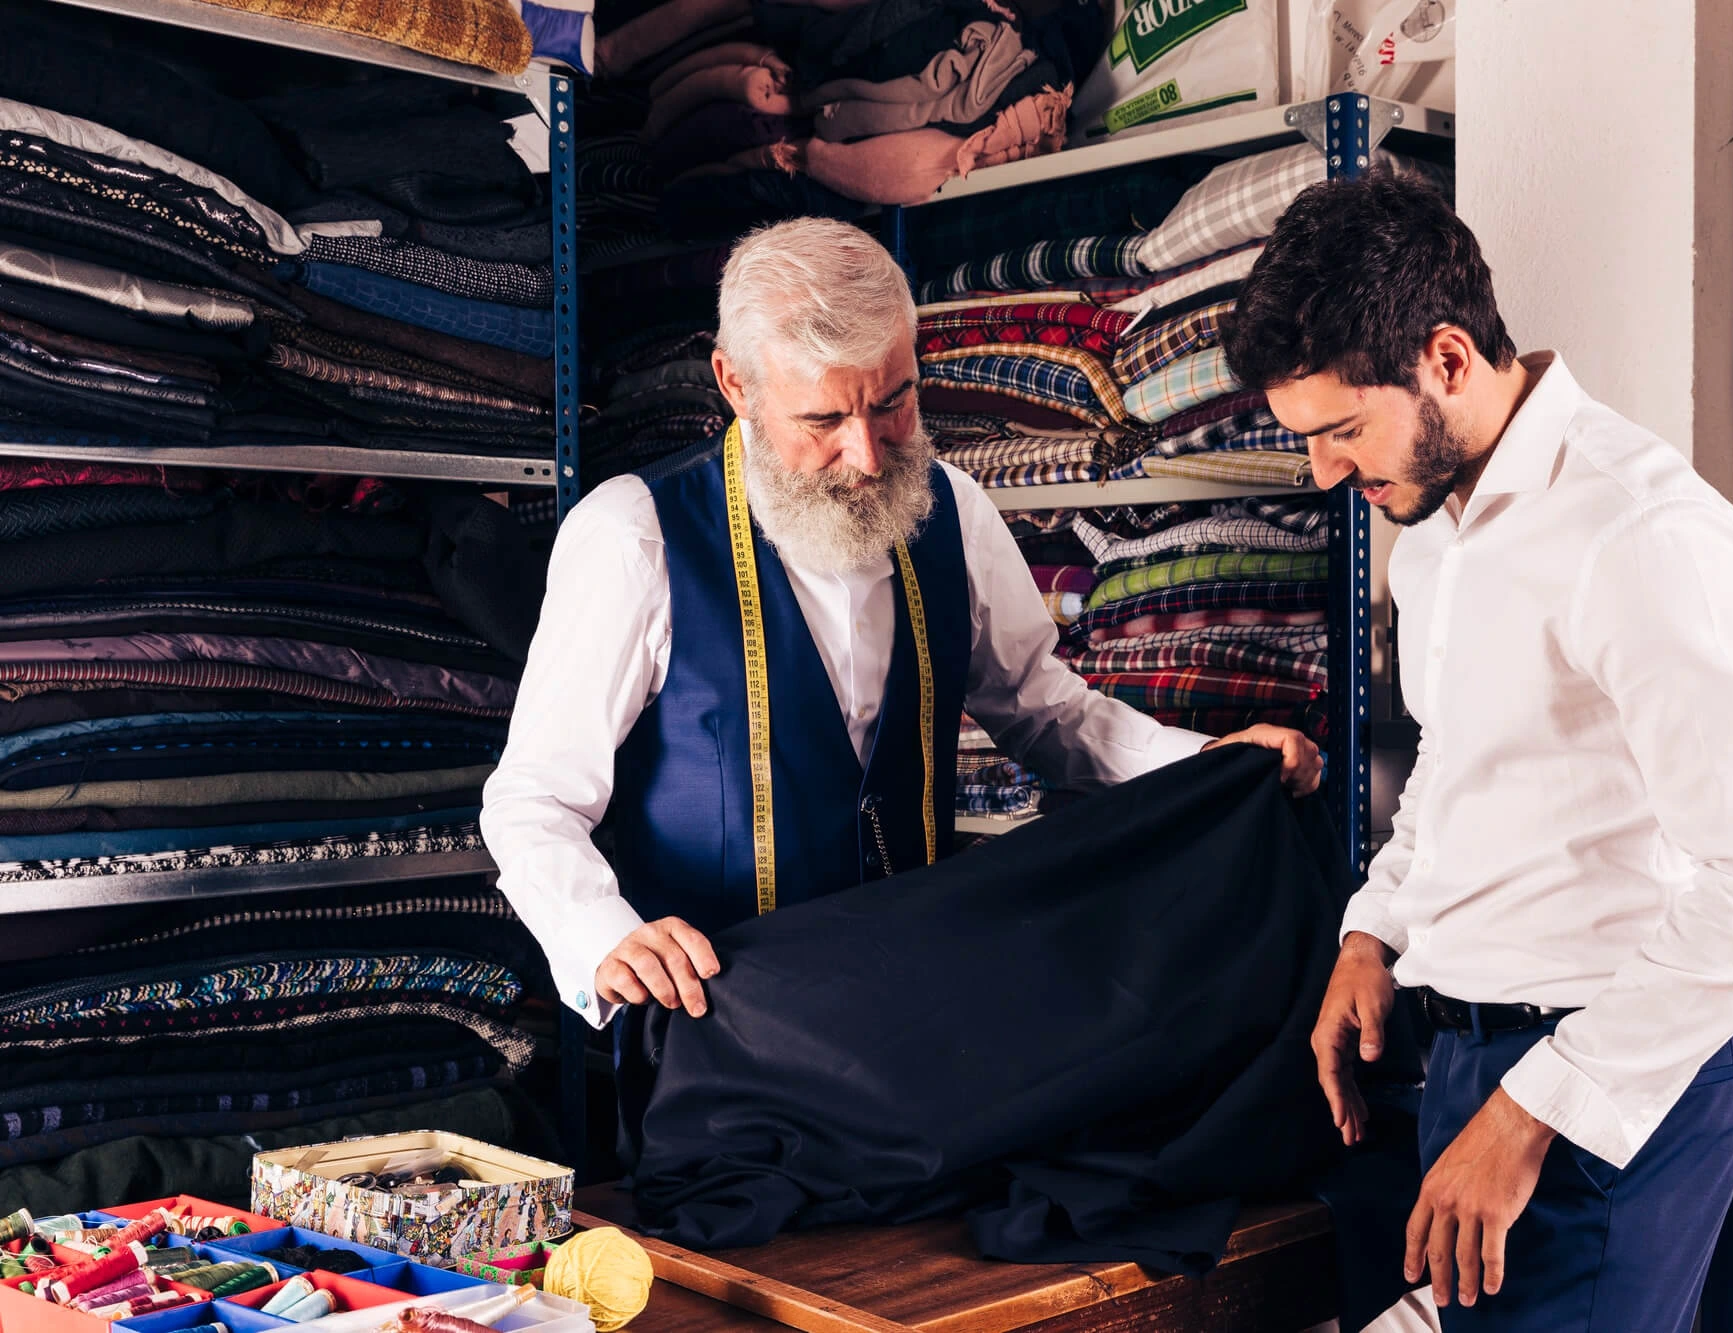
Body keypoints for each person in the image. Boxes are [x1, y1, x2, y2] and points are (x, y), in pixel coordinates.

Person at [1222, 172, 1733, 1330]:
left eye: (1340, 431)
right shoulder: (1432, 540)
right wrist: (1374, 929)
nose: (1323, 475)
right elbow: (1458, 777)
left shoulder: (1642, 538)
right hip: (1465, 1068)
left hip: (1603, 1101)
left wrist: (1528, 1111)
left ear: (1445, 360)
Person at [483, 217, 1322, 1044]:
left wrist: (1202, 765)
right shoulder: (636, 535)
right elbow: (534, 799)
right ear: (735, 384)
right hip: (722, 1038)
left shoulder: (953, 508)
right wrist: (600, 933)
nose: (871, 455)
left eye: (894, 402)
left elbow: (1047, 713)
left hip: (911, 1018)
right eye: (823, 421)